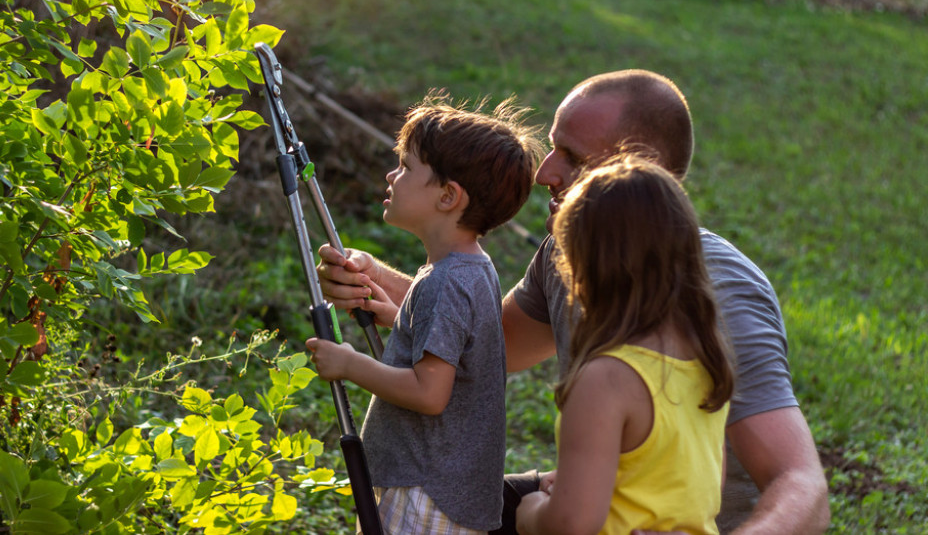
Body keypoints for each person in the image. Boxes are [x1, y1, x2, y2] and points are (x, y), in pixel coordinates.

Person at [317, 70, 830, 534]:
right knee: (444, 506)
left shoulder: (719, 292)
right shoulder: (567, 254)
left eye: (575, 158)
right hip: (602, 500)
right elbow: (495, 343)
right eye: (553, 147)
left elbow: (801, 483)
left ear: (637, 174)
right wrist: (380, 283)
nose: (545, 173)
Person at [306, 93, 543, 533]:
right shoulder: (474, 268)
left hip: (424, 493)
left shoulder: (445, 280)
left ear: (449, 196)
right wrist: (401, 320)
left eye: (406, 167)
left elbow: (429, 393)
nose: (391, 175)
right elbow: (463, 353)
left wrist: (348, 362)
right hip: (449, 490)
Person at [514, 154, 735, 535]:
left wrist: (531, 511)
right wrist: (576, 481)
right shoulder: (705, 361)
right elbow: (686, 485)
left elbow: (570, 524)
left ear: (586, 269)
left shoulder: (605, 379)